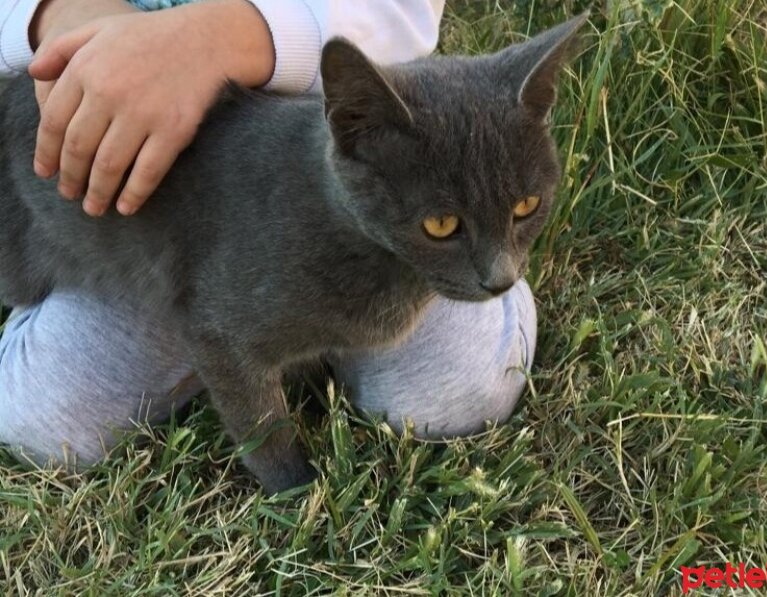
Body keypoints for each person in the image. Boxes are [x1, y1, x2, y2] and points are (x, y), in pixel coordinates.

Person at [0, 0, 537, 468]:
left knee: (457, 392)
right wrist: (57, 14)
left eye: (525, 211)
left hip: (378, 141)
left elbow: (398, 8)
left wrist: (224, 36)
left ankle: (457, 215)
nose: (504, 274)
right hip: (136, 190)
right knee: (51, 422)